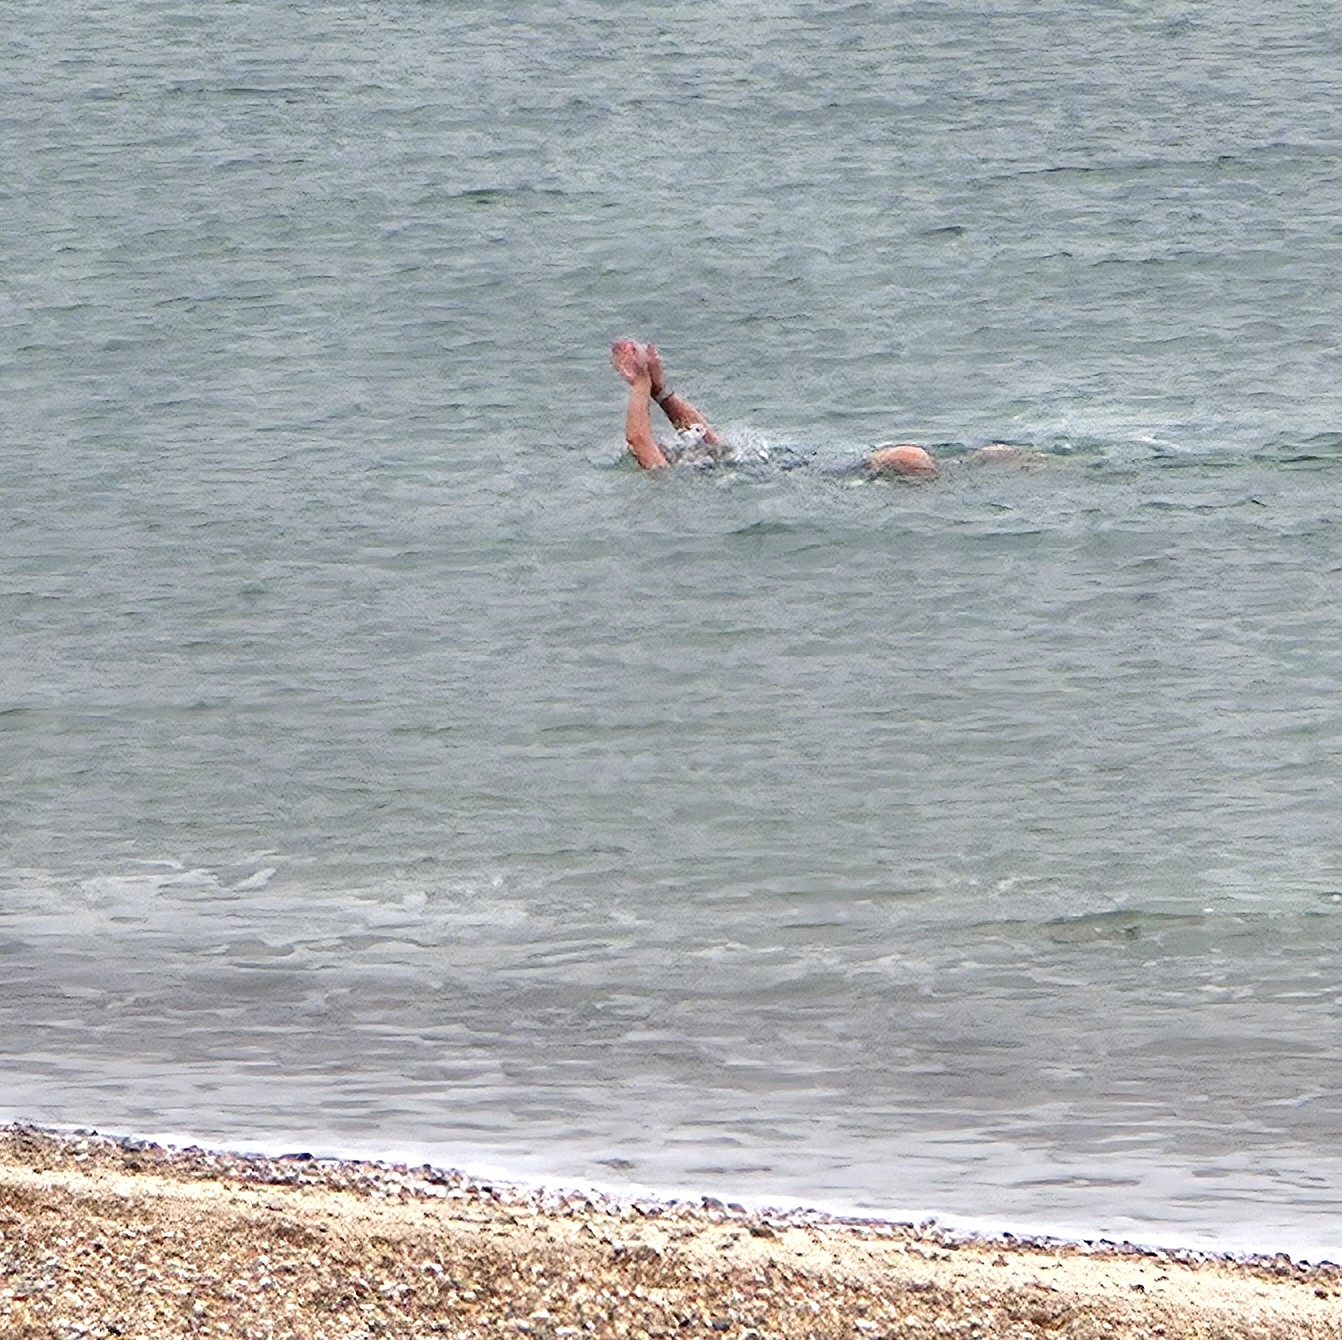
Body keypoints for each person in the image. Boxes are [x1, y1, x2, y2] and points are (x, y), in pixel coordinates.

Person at [610, 339, 1024, 477]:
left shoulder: (670, 475)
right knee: (924, 461)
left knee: (909, 460)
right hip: (812, 469)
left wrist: (644, 384)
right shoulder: (703, 463)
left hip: (821, 474)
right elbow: (701, 435)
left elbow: (638, 438)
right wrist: (658, 391)